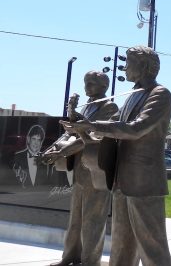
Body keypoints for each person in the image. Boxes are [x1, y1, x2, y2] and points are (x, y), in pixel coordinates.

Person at [62, 46, 171, 266]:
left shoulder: (160, 94)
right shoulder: (133, 95)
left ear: (143, 66)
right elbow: (112, 130)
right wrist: (82, 128)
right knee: (122, 243)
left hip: (144, 182)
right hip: (121, 179)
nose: (124, 67)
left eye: (129, 62)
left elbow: (136, 128)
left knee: (152, 245)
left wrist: (92, 124)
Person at [42, 71, 118, 266]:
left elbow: (90, 138)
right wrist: (71, 109)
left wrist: (63, 151)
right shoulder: (89, 107)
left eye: (91, 83)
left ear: (103, 86)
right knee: (75, 219)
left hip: (96, 171)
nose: (86, 87)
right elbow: (76, 130)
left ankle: (90, 261)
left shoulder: (109, 107)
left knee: (93, 221)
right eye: (85, 83)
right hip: (80, 170)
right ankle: (70, 256)